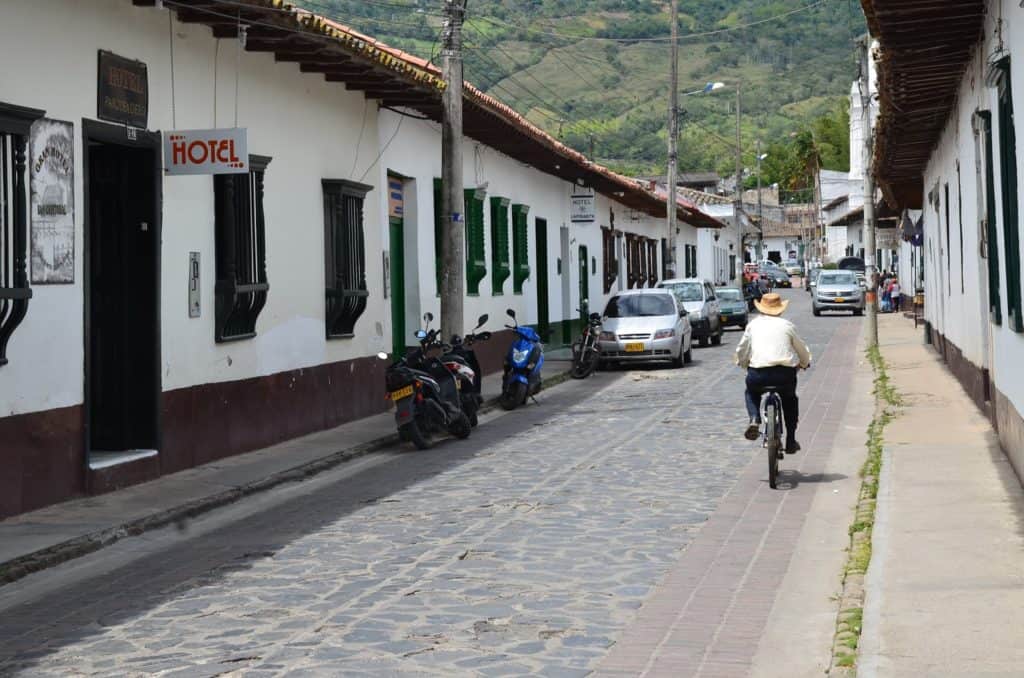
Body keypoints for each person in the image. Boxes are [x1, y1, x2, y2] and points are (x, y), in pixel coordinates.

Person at [735, 293, 812, 454]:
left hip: (758, 374)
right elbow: (802, 350)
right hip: (784, 375)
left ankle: (755, 419)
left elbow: (742, 349)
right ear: (780, 310)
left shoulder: (753, 325)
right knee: (790, 400)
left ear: (761, 309)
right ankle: (790, 440)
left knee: (751, 393)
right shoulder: (787, 326)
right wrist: (804, 363)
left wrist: (743, 363)